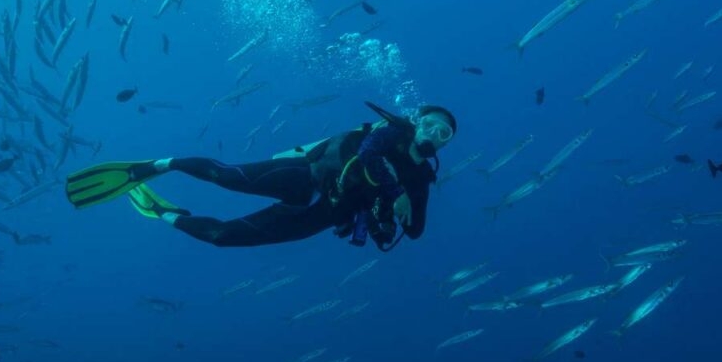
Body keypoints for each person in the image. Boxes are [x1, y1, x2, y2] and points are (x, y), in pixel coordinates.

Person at [65, 101, 456, 251]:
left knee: (223, 237)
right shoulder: (392, 133)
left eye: (445, 135)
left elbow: (417, 230)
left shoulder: (421, 178)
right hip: (308, 176)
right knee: (225, 175)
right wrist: (394, 191)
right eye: (432, 125)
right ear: (417, 122)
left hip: (323, 215)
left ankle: (166, 213)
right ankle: (153, 166)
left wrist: (396, 213)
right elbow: (369, 152)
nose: (435, 135)